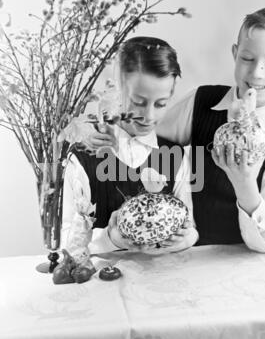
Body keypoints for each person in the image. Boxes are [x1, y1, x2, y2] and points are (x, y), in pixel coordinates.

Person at [81, 7, 265, 253]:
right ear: (235, 54)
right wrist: (105, 131)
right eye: (248, 59)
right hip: (192, 256)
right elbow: (145, 134)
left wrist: (245, 184)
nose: (257, 72)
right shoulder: (201, 101)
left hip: (252, 269)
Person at [61, 36, 199, 260]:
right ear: (116, 90)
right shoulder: (82, 156)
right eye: (138, 102)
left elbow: (189, 226)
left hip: (159, 283)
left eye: (161, 103)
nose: (149, 116)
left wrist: (186, 238)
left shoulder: (175, 156)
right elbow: (66, 244)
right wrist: (110, 239)